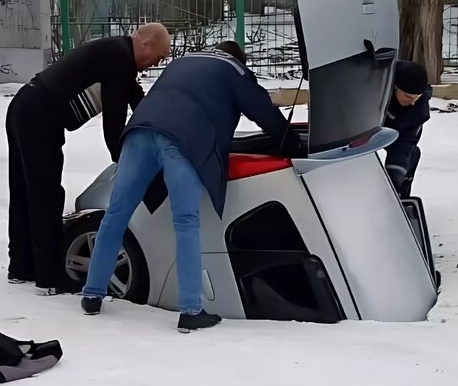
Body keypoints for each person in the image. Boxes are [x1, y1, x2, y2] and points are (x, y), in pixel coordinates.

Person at [79, 41, 297, 332]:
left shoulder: (181, 62)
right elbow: (262, 110)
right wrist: (290, 142)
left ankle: (92, 294)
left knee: (116, 215)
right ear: (239, 59)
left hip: (140, 132)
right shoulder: (234, 69)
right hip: (184, 141)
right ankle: (190, 310)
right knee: (185, 222)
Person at [5, 23, 171, 295]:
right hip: (38, 116)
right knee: (45, 194)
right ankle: (49, 277)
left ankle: (21, 266)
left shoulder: (118, 53)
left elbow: (137, 101)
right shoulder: (119, 59)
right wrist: (127, 161)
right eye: (160, 56)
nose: (157, 63)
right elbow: (114, 120)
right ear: (145, 44)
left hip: (25, 106)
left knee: (25, 190)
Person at [384, 60, 432, 196]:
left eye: (416, 98)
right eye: (408, 97)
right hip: (365, 129)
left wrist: (394, 180)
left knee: (410, 156)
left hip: (399, 132)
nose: (412, 103)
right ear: (394, 86)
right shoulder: (374, 89)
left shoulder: (418, 112)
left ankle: (399, 196)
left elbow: (404, 144)